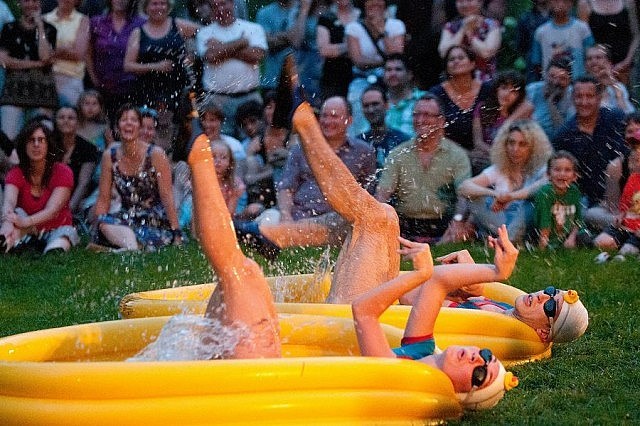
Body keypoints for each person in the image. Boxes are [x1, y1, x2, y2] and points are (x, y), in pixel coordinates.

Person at [352, 225, 518, 409]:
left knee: (378, 220)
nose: (476, 358)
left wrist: (420, 275)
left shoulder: (402, 375)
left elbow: (363, 311)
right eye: (485, 354)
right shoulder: (423, 351)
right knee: (384, 218)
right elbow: (437, 282)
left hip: (342, 309)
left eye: (479, 374)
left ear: (461, 395)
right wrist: (497, 272)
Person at [186, 108, 280, 359]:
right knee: (243, 270)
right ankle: (200, 162)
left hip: (252, 377)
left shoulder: (234, 183)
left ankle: (199, 162)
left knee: (237, 271)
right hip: (259, 373)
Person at [375, 93, 471, 243]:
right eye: (416, 115)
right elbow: (382, 194)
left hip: (443, 226)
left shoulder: (457, 155)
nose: (420, 120)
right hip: (404, 225)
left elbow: (464, 195)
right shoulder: (399, 153)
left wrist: (458, 221)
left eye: (427, 115)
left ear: (441, 121)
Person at [93, 104, 181, 251]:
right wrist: (98, 228)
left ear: (139, 128)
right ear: (117, 127)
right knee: (105, 222)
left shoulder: (156, 154)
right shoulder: (110, 156)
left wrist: (176, 232)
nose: (128, 123)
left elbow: (167, 196)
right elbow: (103, 198)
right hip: (127, 216)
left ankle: (127, 248)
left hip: (155, 219)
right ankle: (132, 248)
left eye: (133, 120)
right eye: (124, 120)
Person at [459, 119, 553, 243]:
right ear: (504, 144)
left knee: (533, 201)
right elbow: (464, 187)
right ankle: (507, 239)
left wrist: (511, 197)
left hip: (528, 224)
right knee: (472, 198)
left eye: (522, 144)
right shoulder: (499, 169)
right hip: (501, 222)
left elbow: (545, 184)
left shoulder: (541, 169)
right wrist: (495, 194)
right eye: (511, 143)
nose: (515, 149)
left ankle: (505, 240)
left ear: (533, 147)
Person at [553, 75, 627, 230]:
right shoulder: (564, 136)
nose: (584, 102)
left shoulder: (617, 119)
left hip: (629, 194)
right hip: (597, 204)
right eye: (579, 97)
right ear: (573, 98)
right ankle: (625, 226)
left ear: (599, 98)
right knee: (589, 215)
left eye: (589, 96)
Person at [1, 121, 80, 253]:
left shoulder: (63, 171)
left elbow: (53, 210)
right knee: (15, 215)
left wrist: (25, 222)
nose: (36, 145)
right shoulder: (15, 173)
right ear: (24, 146)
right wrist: (8, 221)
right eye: (31, 140)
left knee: (61, 240)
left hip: (57, 227)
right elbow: (9, 202)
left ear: (48, 145)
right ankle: (7, 244)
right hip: (25, 225)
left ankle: (47, 250)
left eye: (41, 140)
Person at [197, 0, 266, 136]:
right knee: (220, 142)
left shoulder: (253, 28)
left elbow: (257, 56)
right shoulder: (204, 33)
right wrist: (242, 43)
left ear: (232, 3)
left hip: (249, 97)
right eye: (215, 6)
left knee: (254, 139)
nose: (220, 9)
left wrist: (221, 46)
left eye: (223, 4)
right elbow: (211, 57)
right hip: (217, 100)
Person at [123, 0, 200, 116]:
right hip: (148, 93)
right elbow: (128, 65)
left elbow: (205, 33)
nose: (159, 7)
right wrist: (155, 67)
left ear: (168, 6)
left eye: (162, 3)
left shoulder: (178, 25)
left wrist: (193, 52)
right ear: (146, 7)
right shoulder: (138, 32)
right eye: (154, 4)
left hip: (179, 90)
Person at [345, 0, 405, 136]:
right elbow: (358, 61)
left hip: (390, 78)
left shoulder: (396, 25)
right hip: (363, 79)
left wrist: (381, 31)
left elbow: (397, 55)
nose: (374, 6)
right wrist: (384, 61)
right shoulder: (353, 28)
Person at [0, 0, 58, 140]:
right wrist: (37, 64)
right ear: (20, 3)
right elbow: (4, 61)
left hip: (43, 94)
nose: (31, 4)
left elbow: (45, 57)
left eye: (35, 1)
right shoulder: (9, 28)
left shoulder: (50, 29)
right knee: (8, 140)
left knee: (42, 139)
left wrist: (40, 26)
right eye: (27, 0)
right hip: (14, 92)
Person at [87, 0, 145, 123]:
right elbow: (88, 53)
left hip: (132, 87)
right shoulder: (96, 22)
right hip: (103, 88)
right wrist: (94, 80)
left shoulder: (141, 24)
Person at [429, 45, 491, 152]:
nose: (456, 61)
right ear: (447, 67)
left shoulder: (488, 89)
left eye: (461, 58)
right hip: (448, 154)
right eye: (451, 59)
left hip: (484, 154)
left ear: (472, 64)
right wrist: (466, 155)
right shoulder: (437, 93)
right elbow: (434, 131)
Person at [471, 70, 531, 175]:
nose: (507, 94)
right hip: (489, 158)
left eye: (514, 91)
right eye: (504, 88)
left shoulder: (521, 114)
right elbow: (478, 142)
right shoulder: (482, 108)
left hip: (511, 162)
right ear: (496, 89)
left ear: (519, 96)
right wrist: (496, 156)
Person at [534, 150, 589, 250]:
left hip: (567, 234)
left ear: (575, 176)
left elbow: (578, 220)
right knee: (551, 248)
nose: (562, 174)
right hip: (550, 237)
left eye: (567, 170)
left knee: (586, 239)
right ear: (548, 174)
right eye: (557, 170)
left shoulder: (574, 191)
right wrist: (542, 250)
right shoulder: (545, 193)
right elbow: (544, 224)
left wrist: (571, 238)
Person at [577, 0, 639, 86]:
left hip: (626, 69)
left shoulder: (628, 2)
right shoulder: (585, 3)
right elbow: (584, 38)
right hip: (597, 68)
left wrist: (627, 61)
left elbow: (636, 34)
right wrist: (598, 65)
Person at [437, 0, 501, 81]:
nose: (465, 4)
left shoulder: (492, 25)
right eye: (460, 1)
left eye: (469, 0)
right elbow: (444, 53)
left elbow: (486, 53)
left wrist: (470, 34)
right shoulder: (450, 26)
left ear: (480, 2)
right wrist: (463, 29)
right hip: (455, 80)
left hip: (484, 81)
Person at [531, 0, 594, 81]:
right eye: (556, 1)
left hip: (577, 84)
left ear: (571, 4)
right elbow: (537, 62)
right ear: (550, 3)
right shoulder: (541, 32)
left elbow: (590, 56)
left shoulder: (582, 29)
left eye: (565, 1)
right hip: (551, 84)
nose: (560, 4)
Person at [596, 113, 640, 228]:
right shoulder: (615, 167)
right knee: (591, 214)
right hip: (626, 215)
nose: (635, 136)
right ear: (624, 138)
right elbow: (613, 208)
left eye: (638, 130)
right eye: (630, 132)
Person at [54, 106, 100, 216]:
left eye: (70, 118)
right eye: (61, 117)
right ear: (55, 121)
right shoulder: (47, 144)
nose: (66, 121)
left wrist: (69, 211)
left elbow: (83, 183)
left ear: (78, 122)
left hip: (76, 197)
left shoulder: (88, 148)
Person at [43, 0, 90, 108]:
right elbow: (41, 54)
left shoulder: (83, 20)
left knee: (69, 120)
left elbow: (79, 54)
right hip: (46, 78)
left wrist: (52, 50)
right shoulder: (44, 19)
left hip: (72, 79)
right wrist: (66, 49)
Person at [359, 85, 410, 170]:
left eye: (375, 104)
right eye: (366, 106)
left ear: (386, 105)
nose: (370, 110)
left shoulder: (402, 141)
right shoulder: (358, 144)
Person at [316, 0, 359, 99]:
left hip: (360, 75)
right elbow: (324, 50)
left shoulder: (362, 16)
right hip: (333, 79)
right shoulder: (326, 18)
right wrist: (353, 45)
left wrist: (339, 49)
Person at [593, 170, 640, 261]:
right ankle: (625, 243)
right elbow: (625, 204)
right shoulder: (634, 178)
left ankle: (629, 246)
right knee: (599, 243)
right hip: (625, 227)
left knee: (626, 253)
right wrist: (620, 216)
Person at [525, 58, 575, 140]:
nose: (556, 82)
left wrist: (551, 103)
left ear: (569, 81)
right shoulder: (532, 91)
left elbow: (565, 134)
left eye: (562, 78)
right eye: (552, 76)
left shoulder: (573, 96)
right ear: (545, 75)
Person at [382, 53, 426, 138]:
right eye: (388, 70)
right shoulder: (377, 102)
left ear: (410, 75)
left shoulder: (424, 99)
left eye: (398, 69)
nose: (393, 74)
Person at [584, 44, 635, 113]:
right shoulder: (578, 89)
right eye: (589, 59)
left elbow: (628, 117)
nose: (594, 62)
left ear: (609, 63)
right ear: (585, 66)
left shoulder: (619, 87)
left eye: (598, 58)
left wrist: (614, 86)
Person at [515, 0, 550, 83]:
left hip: (558, 66)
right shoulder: (525, 19)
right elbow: (521, 47)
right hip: (533, 70)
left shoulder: (561, 17)